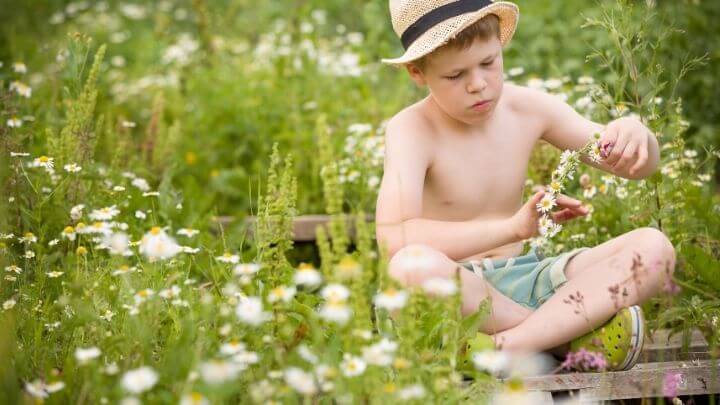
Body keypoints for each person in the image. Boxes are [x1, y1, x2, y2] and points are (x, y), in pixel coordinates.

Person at [374, 0, 676, 371]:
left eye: (489, 62)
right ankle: (566, 339)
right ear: (418, 73)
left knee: (653, 248)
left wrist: (636, 135)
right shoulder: (411, 130)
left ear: (500, 47)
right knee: (409, 265)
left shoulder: (528, 108)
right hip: (460, 291)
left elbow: (634, 167)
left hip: (531, 280)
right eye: (455, 76)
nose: (478, 85)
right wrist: (512, 228)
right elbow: (394, 239)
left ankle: (507, 344)